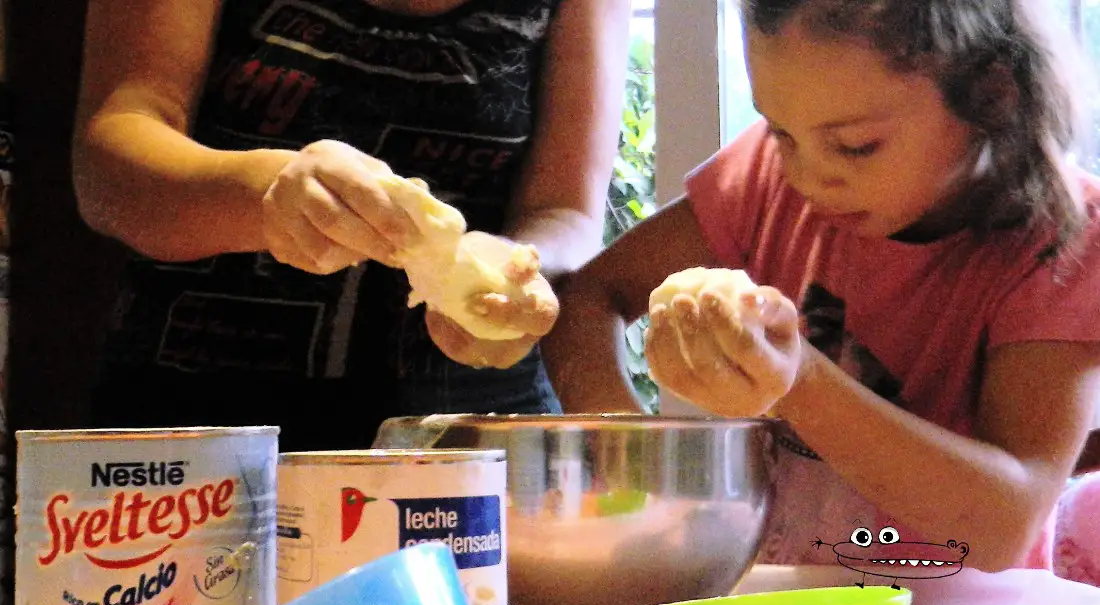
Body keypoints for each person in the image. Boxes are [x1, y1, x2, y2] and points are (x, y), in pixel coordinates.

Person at [542, 0, 1100, 574]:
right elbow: (586, 299)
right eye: (780, 131)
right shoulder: (766, 178)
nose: (807, 175)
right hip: (775, 602)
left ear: (992, 94)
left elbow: (1004, 525)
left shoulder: (1061, 241)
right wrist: (639, 458)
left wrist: (799, 381)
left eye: (856, 144)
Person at [71, 0, 630, 451]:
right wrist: (268, 191)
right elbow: (110, 168)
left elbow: (566, 213)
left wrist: (515, 274)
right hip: (197, 437)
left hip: (471, 442)